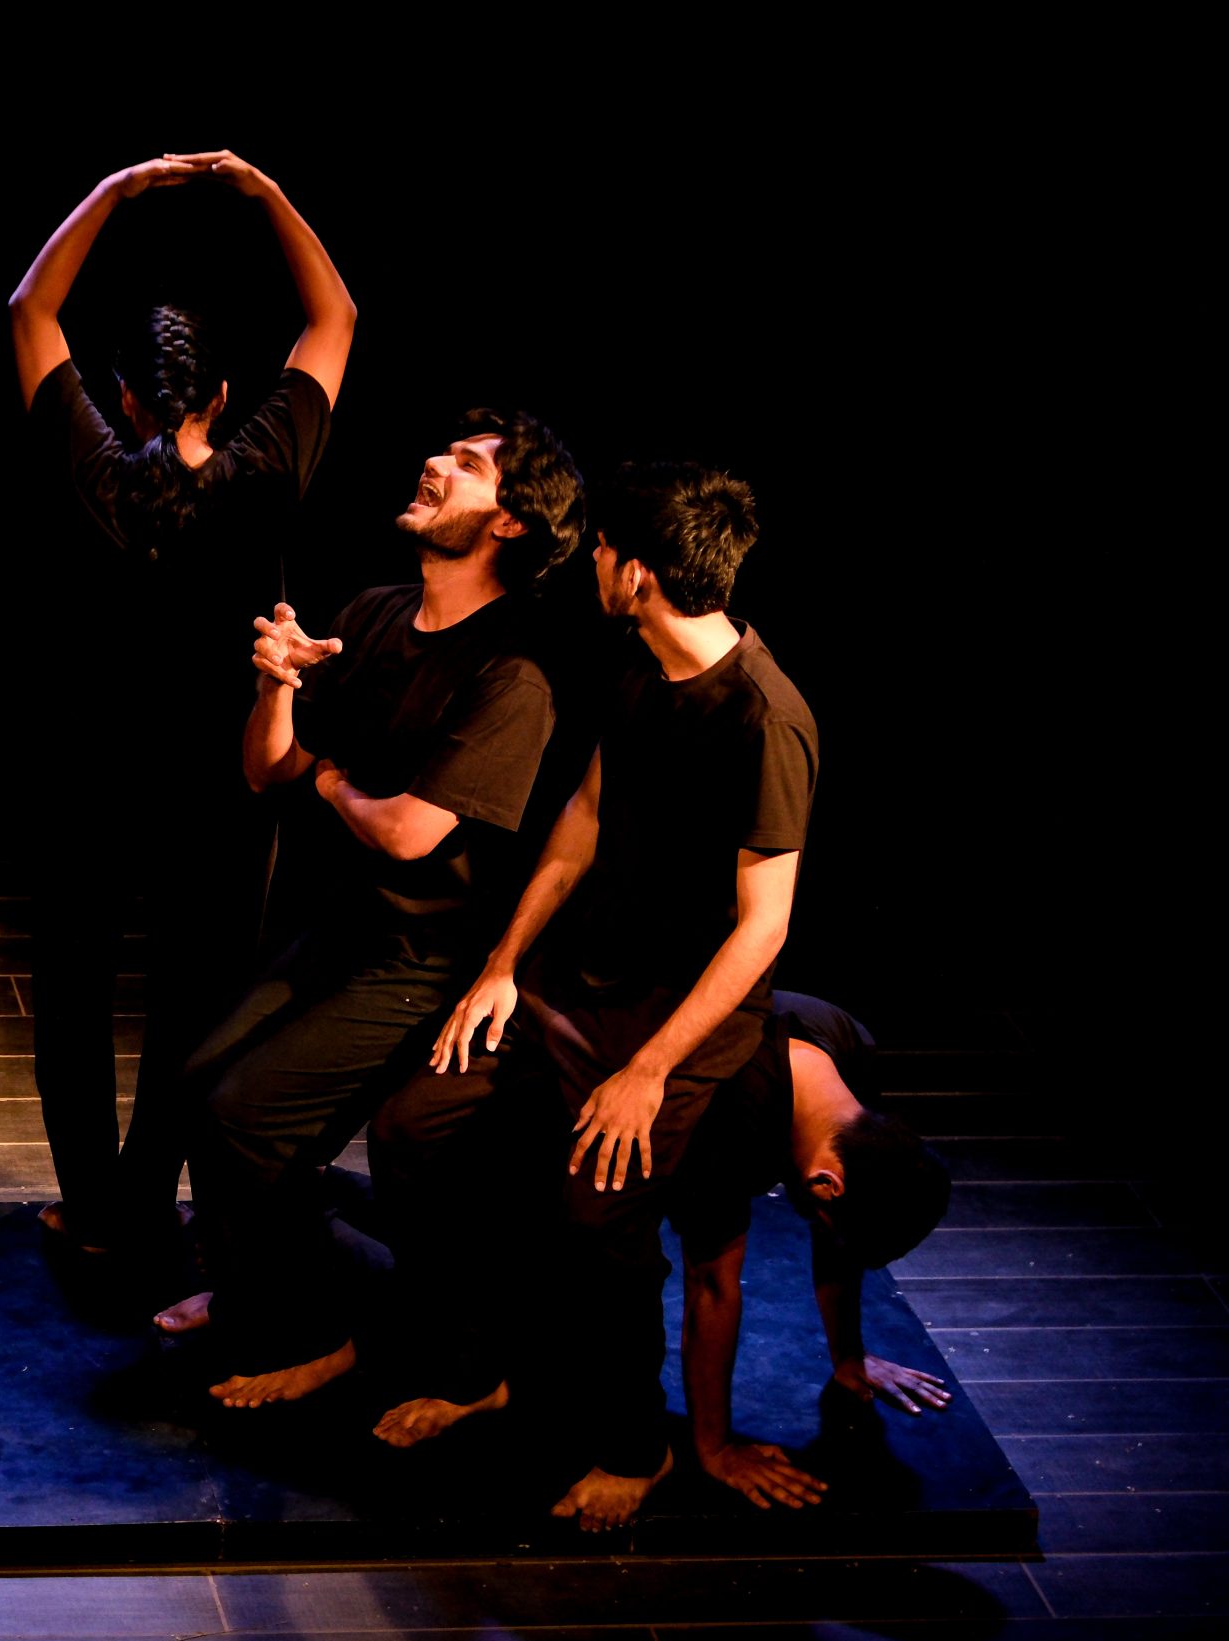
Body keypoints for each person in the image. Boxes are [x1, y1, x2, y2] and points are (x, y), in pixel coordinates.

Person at [389, 461, 818, 1534]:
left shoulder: (765, 718)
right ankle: (482, 1367)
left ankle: (639, 1447)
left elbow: (763, 926)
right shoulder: (635, 664)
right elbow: (583, 814)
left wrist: (649, 1069)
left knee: (598, 1214)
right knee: (415, 1127)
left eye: (603, 550)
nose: (592, 562)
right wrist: (502, 963)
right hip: (575, 985)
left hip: (679, 1017)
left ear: (637, 575)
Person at [153, 410, 585, 1410]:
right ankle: (256, 1291)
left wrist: (328, 780)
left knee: (247, 1118)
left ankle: (320, 1332)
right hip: (349, 928)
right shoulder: (378, 612)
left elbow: (409, 833)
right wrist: (275, 684)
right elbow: (267, 767)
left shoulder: (511, 675)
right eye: (446, 451)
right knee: (196, 1086)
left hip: (430, 956)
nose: (434, 462)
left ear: (510, 522)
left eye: (467, 465)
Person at [9, 149, 354, 1258]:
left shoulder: (97, 474)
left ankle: (95, 1209)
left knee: (73, 990)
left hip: (87, 779)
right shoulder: (265, 469)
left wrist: (114, 192)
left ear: (123, 396)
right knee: (192, 996)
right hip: (219, 790)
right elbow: (336, 316)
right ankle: (149, 1198)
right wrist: (264, 192)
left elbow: (30, 308)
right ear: (223, 395)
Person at [671, 991, 955, 1510]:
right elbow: (710, 1285)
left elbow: (847, 1220)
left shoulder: (851, 1053)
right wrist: (715, 1449)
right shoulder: (729, 1116)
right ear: (826, 1183)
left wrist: (848, 1357)